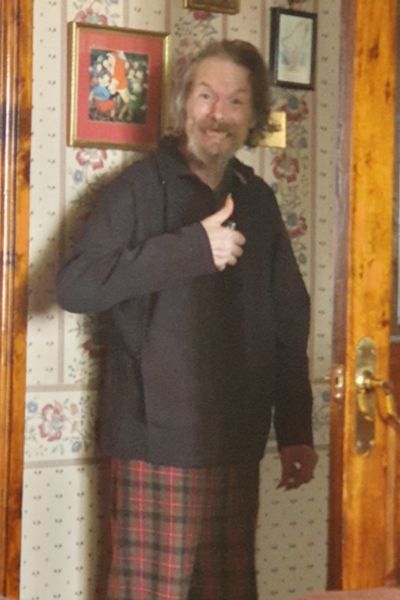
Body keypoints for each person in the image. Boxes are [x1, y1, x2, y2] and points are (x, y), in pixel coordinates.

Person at [57, 39, 318, 600]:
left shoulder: (258, 199)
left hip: (237, 443)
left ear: (253, 115)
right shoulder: (136, 190)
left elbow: (288, 321)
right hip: (154, 445)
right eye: (205, 96)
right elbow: (76, 287)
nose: (217, 114)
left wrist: (296, 431)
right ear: (182, 103)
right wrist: (193, 248)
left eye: (235, 101)